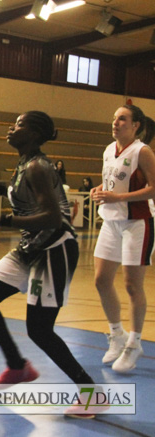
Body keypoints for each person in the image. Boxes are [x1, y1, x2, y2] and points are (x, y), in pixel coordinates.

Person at [0, 111, 96, 417]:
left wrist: (2, 219)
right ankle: (17, 366)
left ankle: (91, 392)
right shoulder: (26, 161)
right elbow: (25, 194)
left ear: (34, 134)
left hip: (54, 249)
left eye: (20, 124)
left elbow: (52, 217)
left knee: (39, 330)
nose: (12, 127)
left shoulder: (38, 166)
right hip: (32, 247)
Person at [91, 104, 155, 373]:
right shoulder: (108, 149)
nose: (116, 123)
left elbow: (154, 189)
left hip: (137, 223)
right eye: (114, 118)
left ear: (136, 125)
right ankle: (116, 335)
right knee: (101, 280)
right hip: (111, 221)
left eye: (122, 119)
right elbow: (112, 183)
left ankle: (134, 343)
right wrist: (101, 190)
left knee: (132, 285)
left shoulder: (143, 151)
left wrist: (118, 198)